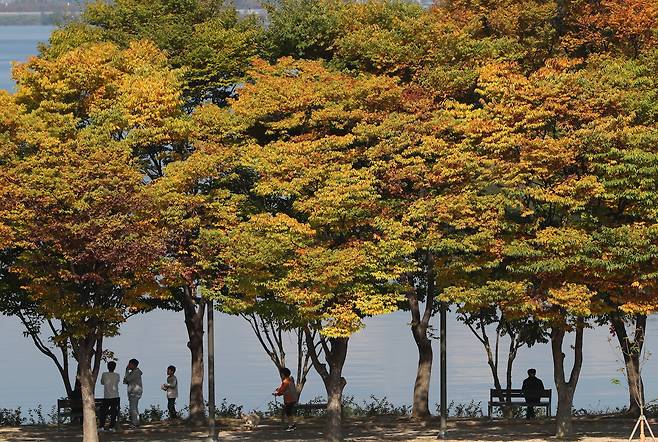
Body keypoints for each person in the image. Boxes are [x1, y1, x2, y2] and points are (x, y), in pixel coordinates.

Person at [273, 367, 299, 432]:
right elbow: (283, 389)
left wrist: (277, 393)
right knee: (290, 413)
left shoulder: (285, 382)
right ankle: (292, 425)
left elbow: (282, 391)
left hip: (289, 399)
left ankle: (291, 426)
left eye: (281, 374)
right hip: (293, 398)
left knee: (289, 413)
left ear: (283, 374)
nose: (281, 375)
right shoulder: (290, 379)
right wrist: (278, 390)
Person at [98, 361, 120, 432]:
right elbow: (118, 381)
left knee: (103, 412)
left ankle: (101, 427)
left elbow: (102, 382)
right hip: (115, 396)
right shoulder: (117, 375)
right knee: (113, 413)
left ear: (108, 367)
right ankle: (111, 427)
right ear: (115, 367)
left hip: (107, 397)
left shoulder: (104, 374)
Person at [123, 358, 143, 428]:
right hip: (135, 392)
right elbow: (125, 381)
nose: (128, 365)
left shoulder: (135, 372)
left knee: (133, 408)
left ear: (133, 365)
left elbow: (127, 379)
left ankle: (135, 424)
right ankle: (136, 422)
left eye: (129, 364)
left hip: (134, 392)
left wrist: (126, 370)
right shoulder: (135, 372)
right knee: (134, 407)